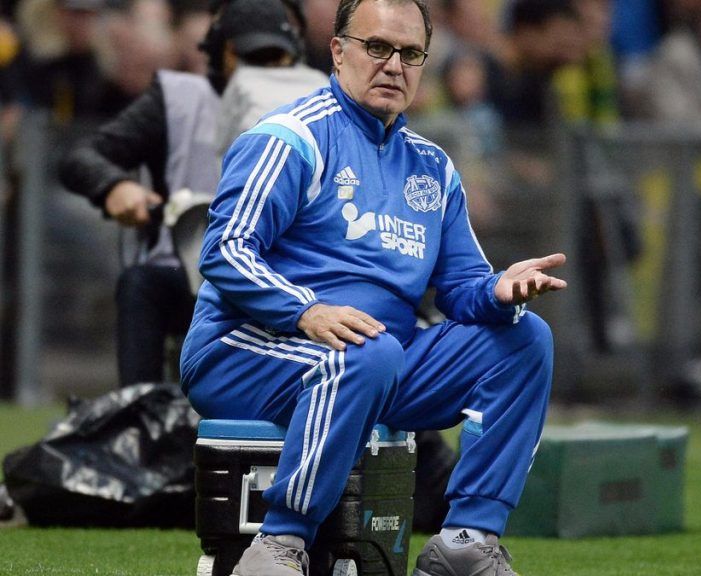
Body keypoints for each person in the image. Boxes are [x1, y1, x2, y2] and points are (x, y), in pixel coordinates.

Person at [178, 2, 566, 576]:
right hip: (243, 350)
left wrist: (499, 292)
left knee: (524, 340)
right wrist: (304, 310)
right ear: (338, 51)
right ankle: (279, 545)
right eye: (377, 47)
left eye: (410, 54)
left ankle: (466, 538)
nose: (394, 66)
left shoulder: (432, 168)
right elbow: (226, 250)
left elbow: (460, 287)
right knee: (369, 349)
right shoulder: (290, 139)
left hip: (373, 359)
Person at [58, 0, 320, 388]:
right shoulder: (178, 98)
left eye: (276, 56)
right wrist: (115, 185)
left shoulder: (318, 105)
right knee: (142, 284)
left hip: (292, 281)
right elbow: (82, 157)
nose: (263, 67)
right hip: (193, 277)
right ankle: (143, 415)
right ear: (221, 52)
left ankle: (411, 432)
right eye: (251, 55)